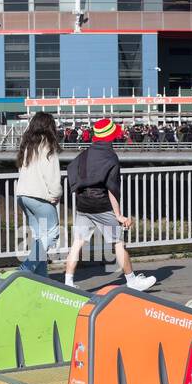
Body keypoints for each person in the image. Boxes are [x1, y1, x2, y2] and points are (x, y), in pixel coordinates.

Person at [63, 118, 155, 292]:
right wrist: (119, 215)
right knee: (118, 242)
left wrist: (80, 189)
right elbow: (112, 188)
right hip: (101, 205)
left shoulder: (84, 154)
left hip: (83, 204)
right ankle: (132, 280)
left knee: (78, 242)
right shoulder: (110, 157)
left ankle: (68, 282)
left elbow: (71, 170)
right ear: (110, 136)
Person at [14, 112, 63, 276]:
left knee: (39, 238)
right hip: (39, 197)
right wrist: (55, 195)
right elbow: (53, 177)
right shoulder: (48, 146)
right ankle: (26, 268)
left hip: (22, 195)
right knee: (52, 233)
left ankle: (42, 279)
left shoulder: (27, 145)